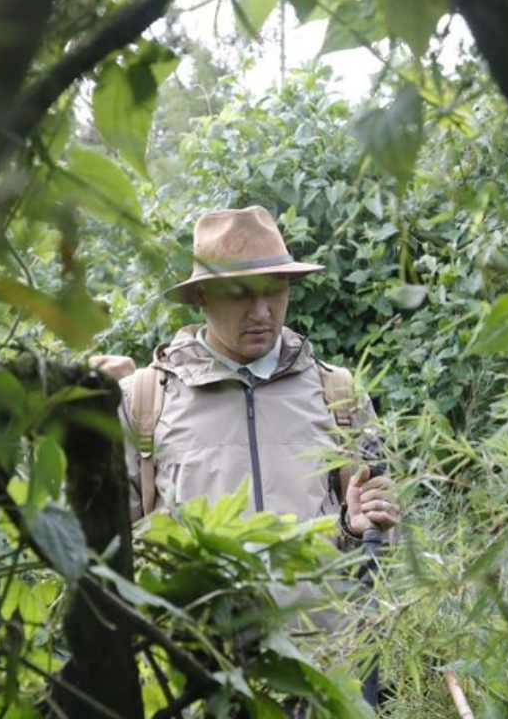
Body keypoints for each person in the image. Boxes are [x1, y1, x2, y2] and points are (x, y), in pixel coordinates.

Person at [98, 204, 399, 549]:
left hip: (317, 605)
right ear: (202, 296)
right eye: (240, 293)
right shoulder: (143, 401)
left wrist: (357, 530)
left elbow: (381, 558)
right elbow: (108, 552)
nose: (261, 312)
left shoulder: (339, 394)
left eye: (274, 290)